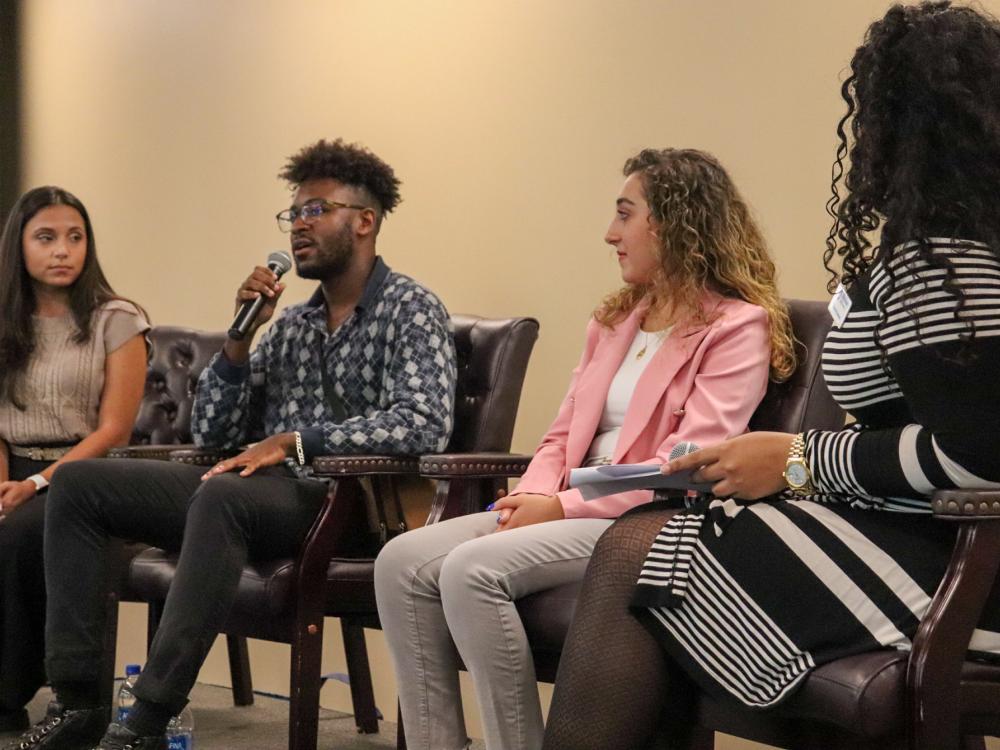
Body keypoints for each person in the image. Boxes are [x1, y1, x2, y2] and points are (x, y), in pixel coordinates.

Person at [542, 4, 1000, 749]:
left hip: (963, 557)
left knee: (640, 554)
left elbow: (978, 452)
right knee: (653, 549)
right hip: (920, 527)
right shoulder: (960, 241)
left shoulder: (941, 253)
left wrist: (794, 457)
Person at [5, 139, 457, 750]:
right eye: (293, 213)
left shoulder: (411, 309)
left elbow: (424, 422)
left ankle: (145, 719)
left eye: (316, 210)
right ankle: (79, 701)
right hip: (262, 493)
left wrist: (299, 441)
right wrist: (240, 344)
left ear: (365, 221)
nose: (299, 224)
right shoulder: (292, 324)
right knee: (81, 485)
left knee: (220, 497)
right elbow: (213, 433)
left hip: (347, 503)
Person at [374, 147, 796, 750]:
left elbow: (687, 465)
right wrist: (535, 494)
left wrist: (563, 507)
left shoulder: (736, 327)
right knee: (399, 563)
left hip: (647, 520)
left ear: (674, 223)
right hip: (568, 504)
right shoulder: (615, 322)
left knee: (471, 570)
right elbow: (559, 434)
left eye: (625, 215)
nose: (610, 234)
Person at [0, 186, 148, 733]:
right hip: (13, 474)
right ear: (19, 247)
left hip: (83, 481)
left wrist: (35, 483)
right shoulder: (4, 321)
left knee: (16, 535)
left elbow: (113, 431)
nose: (63, 250)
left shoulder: (117, 320)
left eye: (74, 237)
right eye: (46, 238)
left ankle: (8, 690)